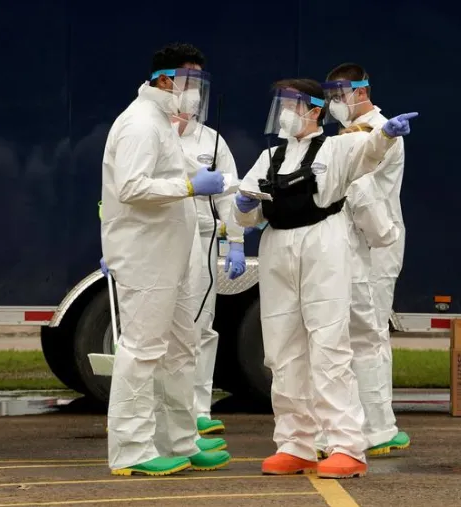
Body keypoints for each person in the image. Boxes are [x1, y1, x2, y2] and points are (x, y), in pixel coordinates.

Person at [232, 78, 417, 479]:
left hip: (323, 247)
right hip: (278, 249)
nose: (284, 113)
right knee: (282, 350)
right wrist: (244, 206)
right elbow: (245, 214)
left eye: (291, 105)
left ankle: (346, 444)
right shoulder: (270, 158)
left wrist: (386, 133)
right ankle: (295, 443)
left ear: (314, 111)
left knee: (329, 346)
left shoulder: (336, 149)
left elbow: (368, 151)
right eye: (281, 105)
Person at [100, 42, 232, 477]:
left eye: (198, 82)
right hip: (146, 256)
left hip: (170, 256)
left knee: (181, 348)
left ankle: (180, 440)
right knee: (141, 351)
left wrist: (221, 188)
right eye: (189, 81)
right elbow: (131, 187)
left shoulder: (161, 123)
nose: (194, 92)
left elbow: (173, 174)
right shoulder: (140, 124)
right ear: (164, 79)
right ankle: (132, 450)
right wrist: (190, 188)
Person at [320, 63, 410, 456]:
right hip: (355, 243)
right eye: (330, 95)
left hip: (375, 243)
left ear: (361, 91)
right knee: (358, 333)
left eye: (340, 94)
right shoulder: (353, 132)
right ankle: (364, 421)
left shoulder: (381, 132)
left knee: (370, 333)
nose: (334, 103)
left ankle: (378, 425)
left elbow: (359, 188)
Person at [172, 111, 247, 436]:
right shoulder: (151, 133)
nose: (188, 96)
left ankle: (199, 409)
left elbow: (229, 194)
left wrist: (236, 241)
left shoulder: (212, 140)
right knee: (161, 327)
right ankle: (161, 409)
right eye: (182, 87)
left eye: (194, 88)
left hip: (203, 238)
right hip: (163, 237)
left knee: (201, 325)